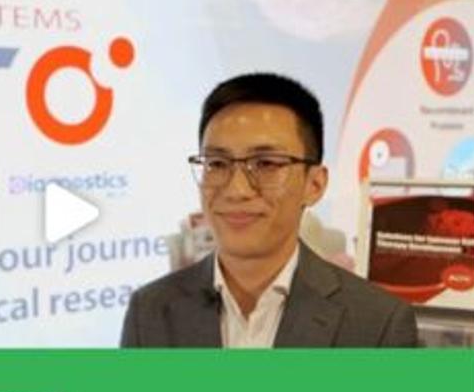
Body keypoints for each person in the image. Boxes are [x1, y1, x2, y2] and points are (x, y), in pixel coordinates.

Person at [120, 73, 418, 347]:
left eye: (266, 164)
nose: (237, 190)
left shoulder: (377, 324)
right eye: (217, 164)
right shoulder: (149, 312)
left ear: (314, 184)